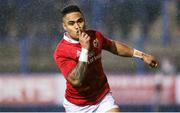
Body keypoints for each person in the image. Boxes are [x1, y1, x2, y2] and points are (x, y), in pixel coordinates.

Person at [54, 5, 158, 113]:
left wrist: (142, 55)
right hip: (77, 105)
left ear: (84, 21)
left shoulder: (95, 36)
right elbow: (76, 80)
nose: (77, 26)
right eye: (71, 23)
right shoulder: (62, 51)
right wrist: (85, 50)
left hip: (102, 98)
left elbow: (113, 46)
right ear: (64, 26)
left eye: (80, 21)